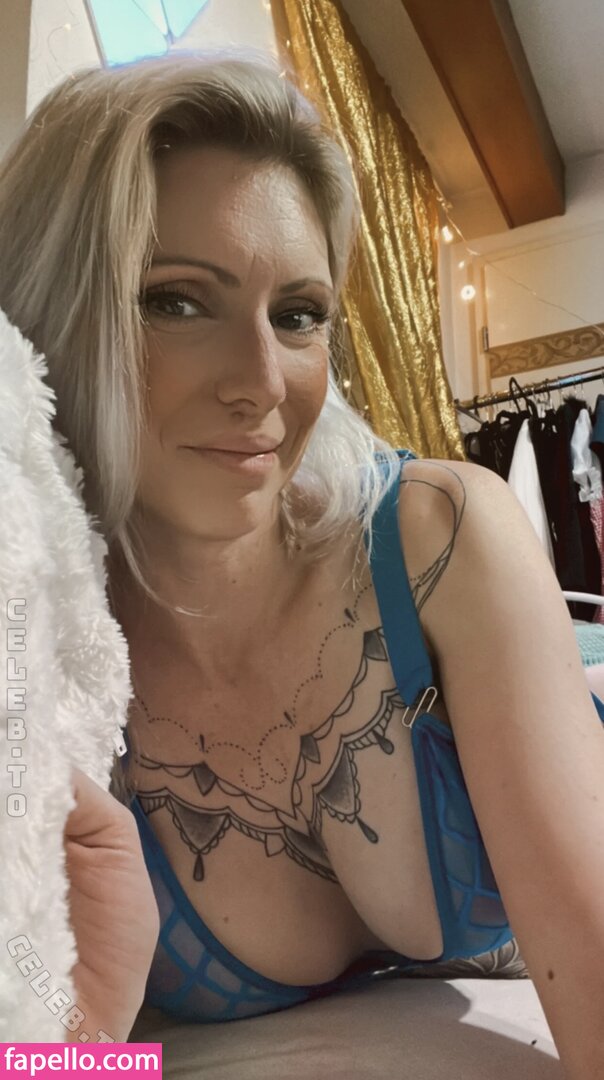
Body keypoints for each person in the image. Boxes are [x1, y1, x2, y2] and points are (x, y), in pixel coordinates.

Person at [1, 49, 603, 1076]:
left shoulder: (443, 538)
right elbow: (45, 1055)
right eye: (177, 301)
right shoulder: (41, 670)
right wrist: (86, 1039)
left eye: (297, 316)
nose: (263, 383)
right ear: (53, 316)